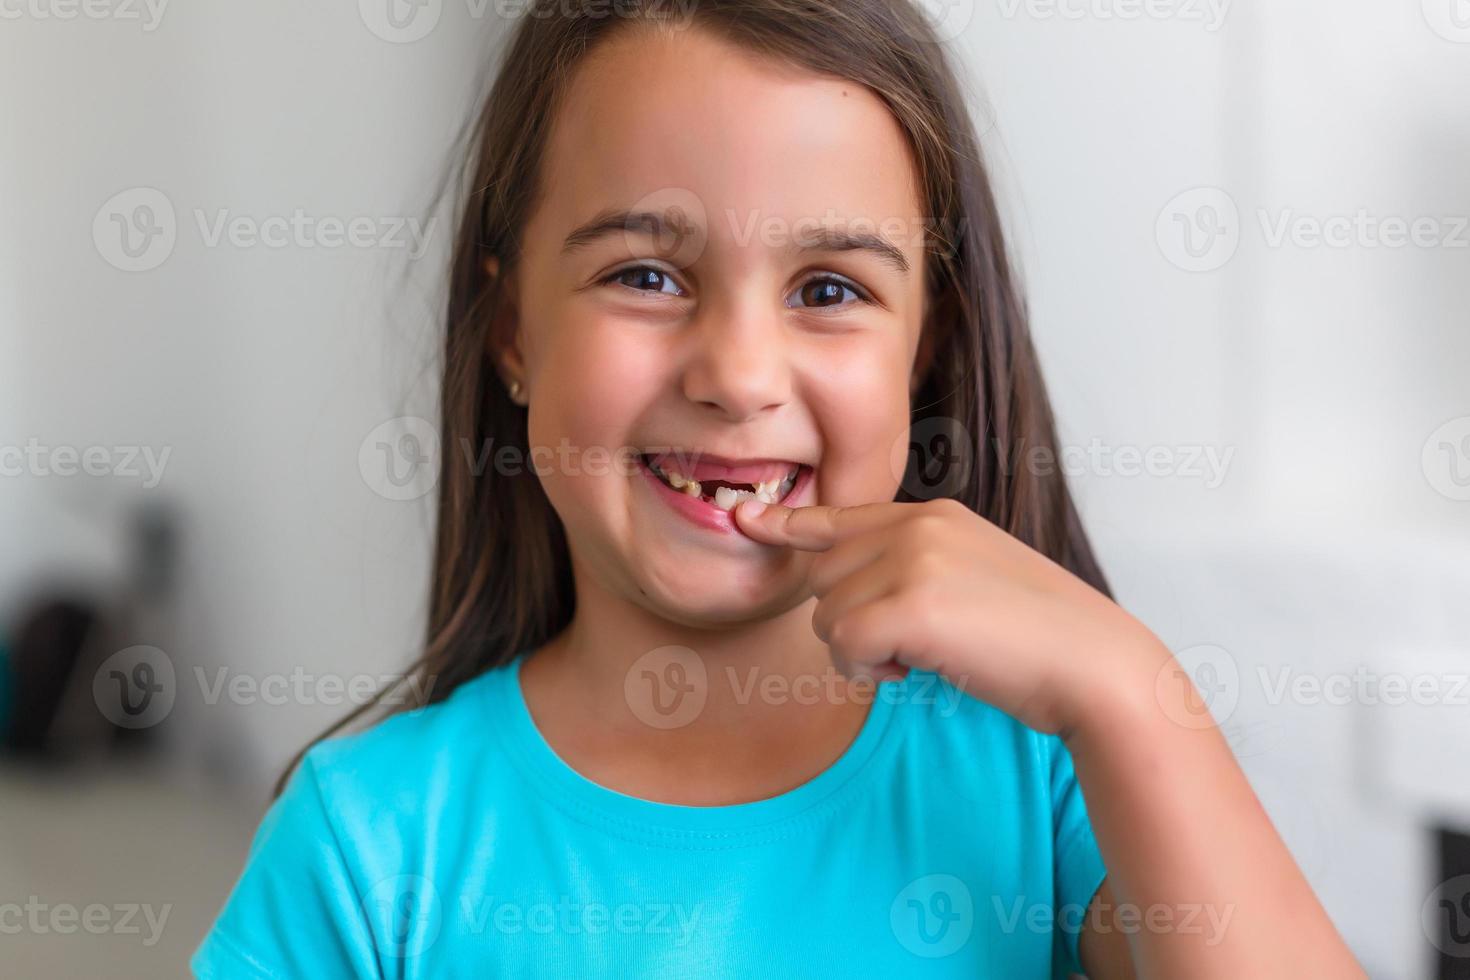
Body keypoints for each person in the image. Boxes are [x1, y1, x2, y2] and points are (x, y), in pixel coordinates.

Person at [193, 1, 1363, 976]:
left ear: (928, 350)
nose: (740, 375)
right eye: (644, 273)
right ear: (511, 331)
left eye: (830, 289)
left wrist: (1128, 681)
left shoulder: (1054, 784)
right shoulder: (367, 844)